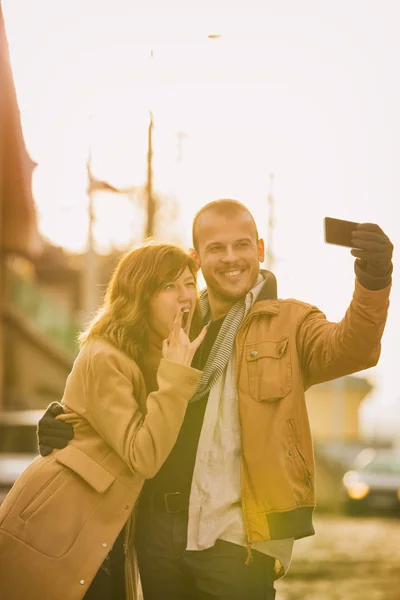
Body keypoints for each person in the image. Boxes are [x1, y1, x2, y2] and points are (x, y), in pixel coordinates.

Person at [38, 199, 393, 600]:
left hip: (236, 537)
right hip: (154, 530)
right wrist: (66, 422)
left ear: (259, 250)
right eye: (216, 249)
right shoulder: (168, 321)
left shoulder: (290, 323)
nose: (231, 259)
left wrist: (374, 279)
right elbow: (117, 399)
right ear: (196, 258)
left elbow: (353, 347)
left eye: (241, 246)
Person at [0, 242, 209, 600]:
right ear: (140, 296)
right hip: (65, 523)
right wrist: (176, 375)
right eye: (169, 286)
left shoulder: (159, 353)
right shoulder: (107, 356)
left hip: (107, 529)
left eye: (190, 283)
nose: (185, 296)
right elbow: (144, 456)